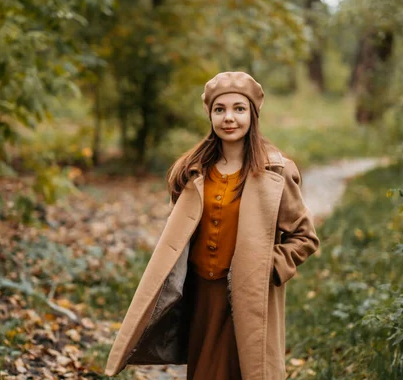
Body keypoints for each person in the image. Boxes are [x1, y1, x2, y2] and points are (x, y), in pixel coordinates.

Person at [104, 71, 320, 380]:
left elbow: (304, 237)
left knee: (245, 370)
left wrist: (267, 267)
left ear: (253, 115)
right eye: (220, 110)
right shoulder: (191, 171)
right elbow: (177, 232)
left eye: (239, 109)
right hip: (202, 296)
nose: (229, 118)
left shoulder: (275, 172)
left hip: (248, 298)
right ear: (210, 115)